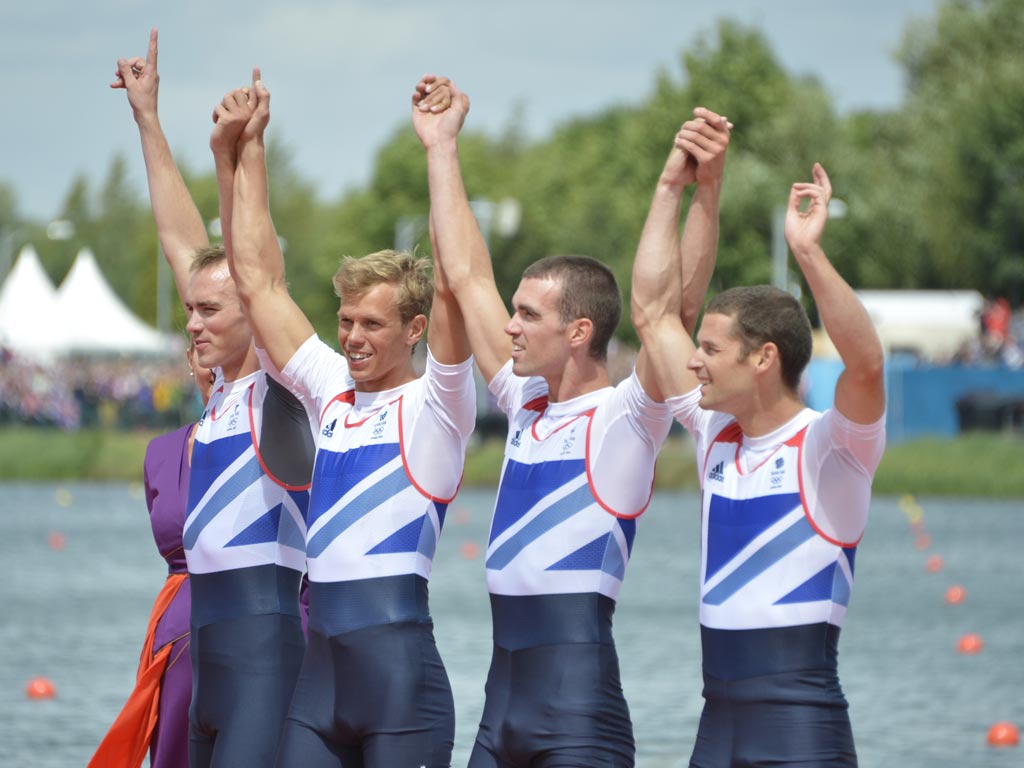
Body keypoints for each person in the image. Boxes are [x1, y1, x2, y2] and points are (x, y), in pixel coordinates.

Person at [418, 76, 726, 768]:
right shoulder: (525, 402)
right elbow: (467, 274)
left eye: (528, 314)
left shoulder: (624, 416)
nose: (509, 325)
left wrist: (698, 191)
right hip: (499, 719)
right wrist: (442, 147)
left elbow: (674, 314)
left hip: (579, 723)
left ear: (579, 331)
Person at [216, 74, 475, 767]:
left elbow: (457, 281)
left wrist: (439, 149)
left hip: (401, 691)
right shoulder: (331, 389)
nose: (353, 337)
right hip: (319, 686)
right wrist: (252, 150)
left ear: (415, 329)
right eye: (346, 322)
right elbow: (257, 283)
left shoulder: (438, 406)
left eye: (372, 324)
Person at [630, 117, 887, 766]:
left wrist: (807, 250)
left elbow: (866, 367)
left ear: (765, 358)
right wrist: (676, 186)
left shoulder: (832, 447)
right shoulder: (717, 434)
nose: (695, 363)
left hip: (802, 734)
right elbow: (654, 314)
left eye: (711, 351)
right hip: (716, 734)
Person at [113, 29, 316, 766]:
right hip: (205, 661)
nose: (192, 325)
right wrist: (148, 120)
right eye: (190, 311)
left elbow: (256, 270)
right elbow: (181, 242)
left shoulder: (280, 386)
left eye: (210, 313)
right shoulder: (220, 393)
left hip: (267, 657)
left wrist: (238, 158)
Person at [89, 344, 215, 768]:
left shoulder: (287, 443)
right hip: (176, 643)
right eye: (201, 352)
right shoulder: (160, 454)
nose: (213, 367)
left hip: (262, 637)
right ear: (188, 359)